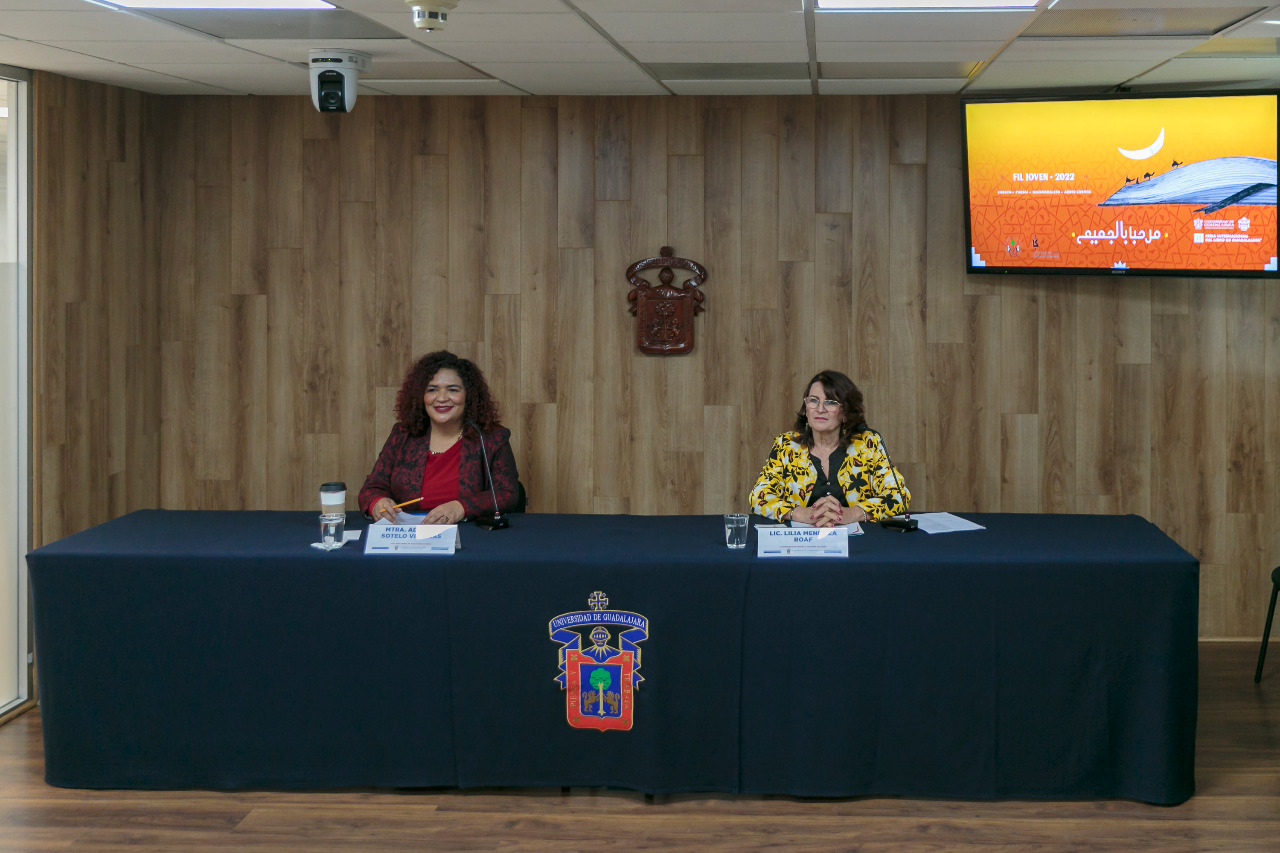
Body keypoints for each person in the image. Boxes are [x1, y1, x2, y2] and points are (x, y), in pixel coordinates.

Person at [359, 350, 519, 525]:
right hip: (408, 536)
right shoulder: (403, 435)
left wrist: (461, 507)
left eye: (452, 390)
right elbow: (371, 488)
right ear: (421, 397)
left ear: (469, 396)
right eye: (432, 390)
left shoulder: (491, 438)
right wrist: (377, 502)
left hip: (468, 536)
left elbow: (508, 493)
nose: (441, 398)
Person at [749, 370, 910, 527]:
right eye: (813, 400)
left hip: (859, 545)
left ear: (846, 413)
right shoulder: (786, 445)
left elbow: (899, 496)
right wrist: (799, 513)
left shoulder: (869, 444)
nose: (820, 409)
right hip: (801, 545)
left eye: (831, 402)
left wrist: (853, 513)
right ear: (806, 408)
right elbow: (758, 497)